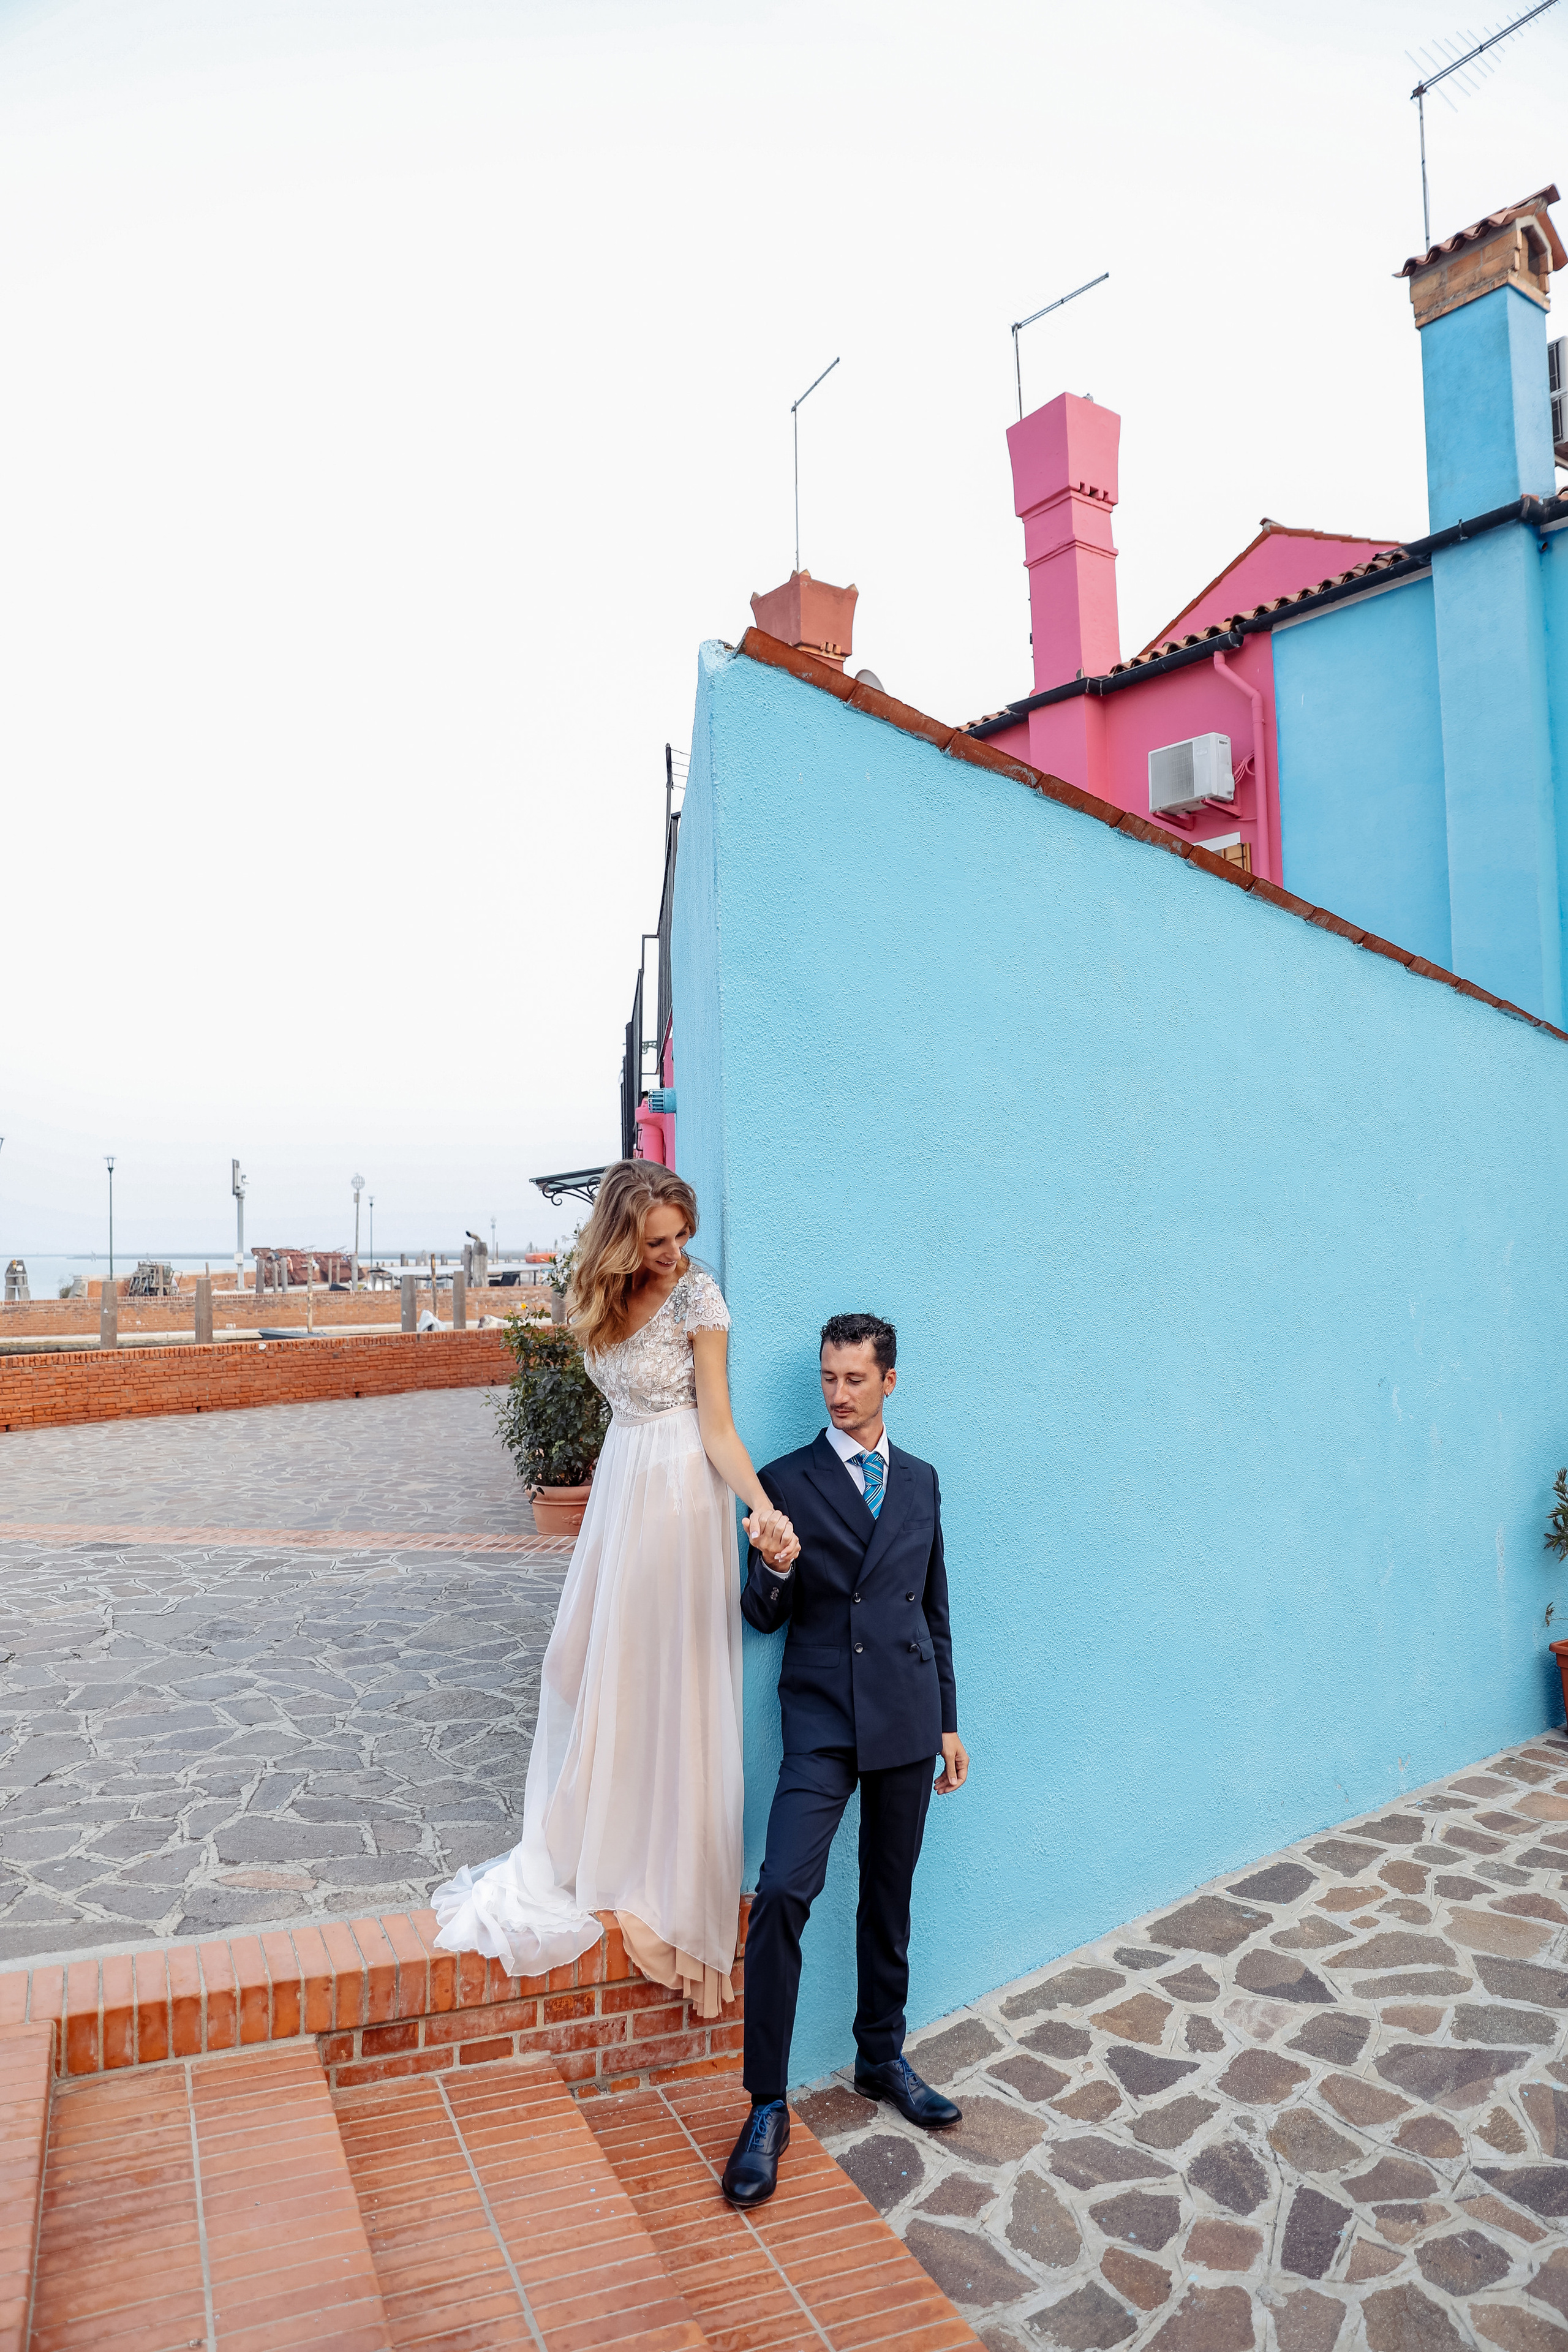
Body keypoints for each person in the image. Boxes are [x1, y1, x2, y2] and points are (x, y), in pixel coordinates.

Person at [432, 1161, 798, 2021]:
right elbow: (619, 1403)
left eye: (681, 1239)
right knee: (581, 1665)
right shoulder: (595, 1296)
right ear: (621, 1237)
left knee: (665, 1681)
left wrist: (765, 1511)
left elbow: (718, 1427)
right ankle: (597, 1835)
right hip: (622, 1495)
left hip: (679, 1497)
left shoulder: (699, 1302)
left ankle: (655, 1864)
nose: (673, 1255)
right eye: (656, 1241)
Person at [720, 1311, 969, 2206]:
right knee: (785, 1888)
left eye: (855, 1378)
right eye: (829, 1377)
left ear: (889, 1381)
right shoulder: (784, 1480)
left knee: (889, 1896)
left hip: (907, 1718)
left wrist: (947, 1719)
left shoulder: (925, 1481)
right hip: (823, 1718)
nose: (838, 1392)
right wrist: (775, 1566)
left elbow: (933, 1609)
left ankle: (880, 2058)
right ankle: (765, 2105)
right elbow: (760, 1615)